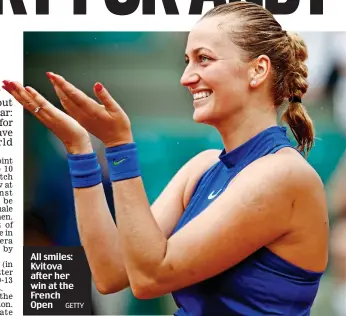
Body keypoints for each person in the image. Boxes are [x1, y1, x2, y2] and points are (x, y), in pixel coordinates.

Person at [3, 2, 329, 315]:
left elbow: (149, 279)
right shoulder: (202, 167)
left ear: (258, 70)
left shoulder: (283, 174)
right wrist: (80, 150)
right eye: (187, 60)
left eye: (204, 59)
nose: (186, 77)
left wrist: (119, 146)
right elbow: (112, 273)